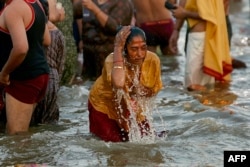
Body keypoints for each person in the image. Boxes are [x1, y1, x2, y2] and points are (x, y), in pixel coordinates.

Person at [88, 26, 163, 142]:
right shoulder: (111, 60)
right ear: (125, 49)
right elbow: (118, 83)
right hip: (105, 105)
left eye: (143, 48)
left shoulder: (153, 60)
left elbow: (153, 90)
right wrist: (117, 47)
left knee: (148, 138)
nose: (140, 54)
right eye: (134, 49)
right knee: (114, 144)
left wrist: (138, 94)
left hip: (132, 105)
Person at [0, 0, 51, 134]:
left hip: (23, 78)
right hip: (40, 74)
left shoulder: (14, 9)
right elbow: (47, 39)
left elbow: (21, 48)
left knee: (17, 137)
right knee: (16, 132)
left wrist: (4, 73)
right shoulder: (36, 4)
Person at [169, 0, 233, 91]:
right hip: (199, 37)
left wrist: (184, 13)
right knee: (202, 87)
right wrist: (176, 30)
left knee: (193, 86)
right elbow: (183, 4)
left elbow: (209, 14)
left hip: (202, 38)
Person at [73, 0, 134, 81]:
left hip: (109, 55)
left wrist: (95, 10)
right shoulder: (90, 1)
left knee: (108, 87)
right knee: (87, 87)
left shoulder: (123, 3)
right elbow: (70, 13)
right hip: (89, 56)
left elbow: (116, 28)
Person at [31, 0, 66, 125]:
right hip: (53, 78)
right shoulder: (58, 33)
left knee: (32, 120)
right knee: (49, 121)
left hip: (36, 76)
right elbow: (61, 63)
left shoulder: (33, 31)